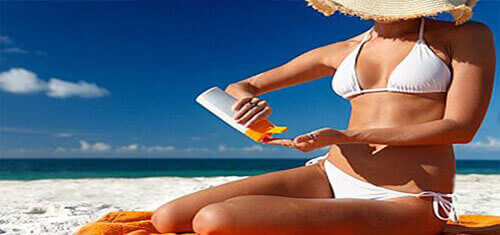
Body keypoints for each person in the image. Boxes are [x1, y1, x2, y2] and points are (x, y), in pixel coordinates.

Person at [152, 0, 496, 234]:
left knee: (214, 220)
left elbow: (460, 128)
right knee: (166, 218)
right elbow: (243, 85)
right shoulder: (343, 49)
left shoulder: (464, 36)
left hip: (408, 197)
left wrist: (347, 137)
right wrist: (249, 106)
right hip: (329, 174)